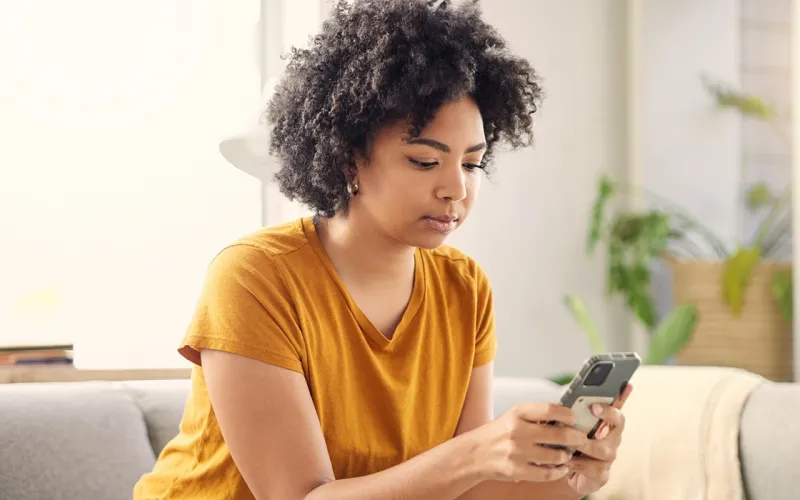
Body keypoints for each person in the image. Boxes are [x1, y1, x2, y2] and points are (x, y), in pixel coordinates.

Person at [133, 0, 632, 498]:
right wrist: (477, 452)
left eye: (473, 164)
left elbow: (467, 492)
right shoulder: (254, 277)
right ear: (348, 158)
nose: (456, 189)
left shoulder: (464, 287)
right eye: (423, 161)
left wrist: (573, 477)